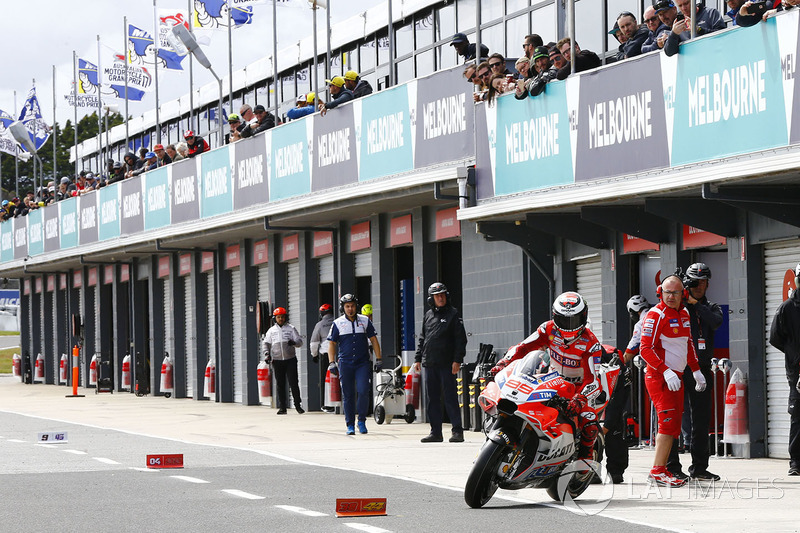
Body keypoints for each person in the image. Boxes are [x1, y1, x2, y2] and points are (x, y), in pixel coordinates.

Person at [491, 292, 604, 463]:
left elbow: (593, 381)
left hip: (576, 390)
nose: (568, 325)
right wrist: (503, 362)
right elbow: (522, 347)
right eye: (563, 320)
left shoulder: (591, 343)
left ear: (584, 317)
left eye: (573, 320)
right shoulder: (547, 329)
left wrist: (580, 399)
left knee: (589, 421)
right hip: (548, 380)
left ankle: (585, 462)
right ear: (554, 316)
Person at [640, 275, 706, 487]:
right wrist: (665, 371)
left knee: (674, 426)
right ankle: (657, 471)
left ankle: (663, 470)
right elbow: (645, 349)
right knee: (667, 424)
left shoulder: (685, 313)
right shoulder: (655, 315)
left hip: (676, 377)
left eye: (675, 292)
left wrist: (696, 370)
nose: (670, 296)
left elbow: (688, 344)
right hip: (660, 378)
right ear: (660, 293)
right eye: (667, 292)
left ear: (683, 294)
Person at [667, 263, 724, 481]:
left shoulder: (711, 307)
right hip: (677, 370)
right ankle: (672, 466)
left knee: (701, 421)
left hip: (701, 369)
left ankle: (699, 468)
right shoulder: (675, 306)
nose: (699, 286)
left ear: (708, 284)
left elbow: (716, 322)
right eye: (694, 282)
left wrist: (696, 305)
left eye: (703, 282)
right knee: (672, 418)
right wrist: (684, 301)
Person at [414, 283, 467, 443]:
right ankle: (435, 432)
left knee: (450, 397)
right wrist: (417, 358)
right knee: (433, 399)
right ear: (432, 299)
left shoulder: (453, 314)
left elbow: (460, 340)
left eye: (443, 295)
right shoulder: (428, 315)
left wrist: (457, 360)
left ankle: (457, 431)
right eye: (437, 296)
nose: (440, 298)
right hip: (430, 363)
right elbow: (422, 338)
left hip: (447, 364)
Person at [327, 294, 382, 435]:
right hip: (345, 363)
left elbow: (374, 340)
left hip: (362, 363)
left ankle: (362, 421)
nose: (350, 309)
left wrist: (379, 359)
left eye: (352, 306)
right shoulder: (337, 323)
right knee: (348, 394)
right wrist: (331, 363)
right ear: (342, 308)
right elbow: (332, 343)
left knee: (364, 391)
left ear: (356, 306)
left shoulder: (365, 321)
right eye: (347, 306)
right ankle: (350, 424)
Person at [769, 262, 800, 476]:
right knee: (798, 416)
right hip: (798, 371)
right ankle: (796, 462)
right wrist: (793, 354)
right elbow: (775, 338)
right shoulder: (788, 308)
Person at [262, 307, 304, 415]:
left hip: (290, 360)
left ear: (285, 317)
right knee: (280, 384)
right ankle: (282, 407)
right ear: (275, 318)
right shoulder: (271, 331)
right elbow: (265, 343)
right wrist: (267, 354)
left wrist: (293, 342)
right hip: (277, 360)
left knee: (293, 382)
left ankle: (298, 405)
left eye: (282, 317)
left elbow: (300, 342)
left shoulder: (291, 328)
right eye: (278, 317)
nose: (280, 319)